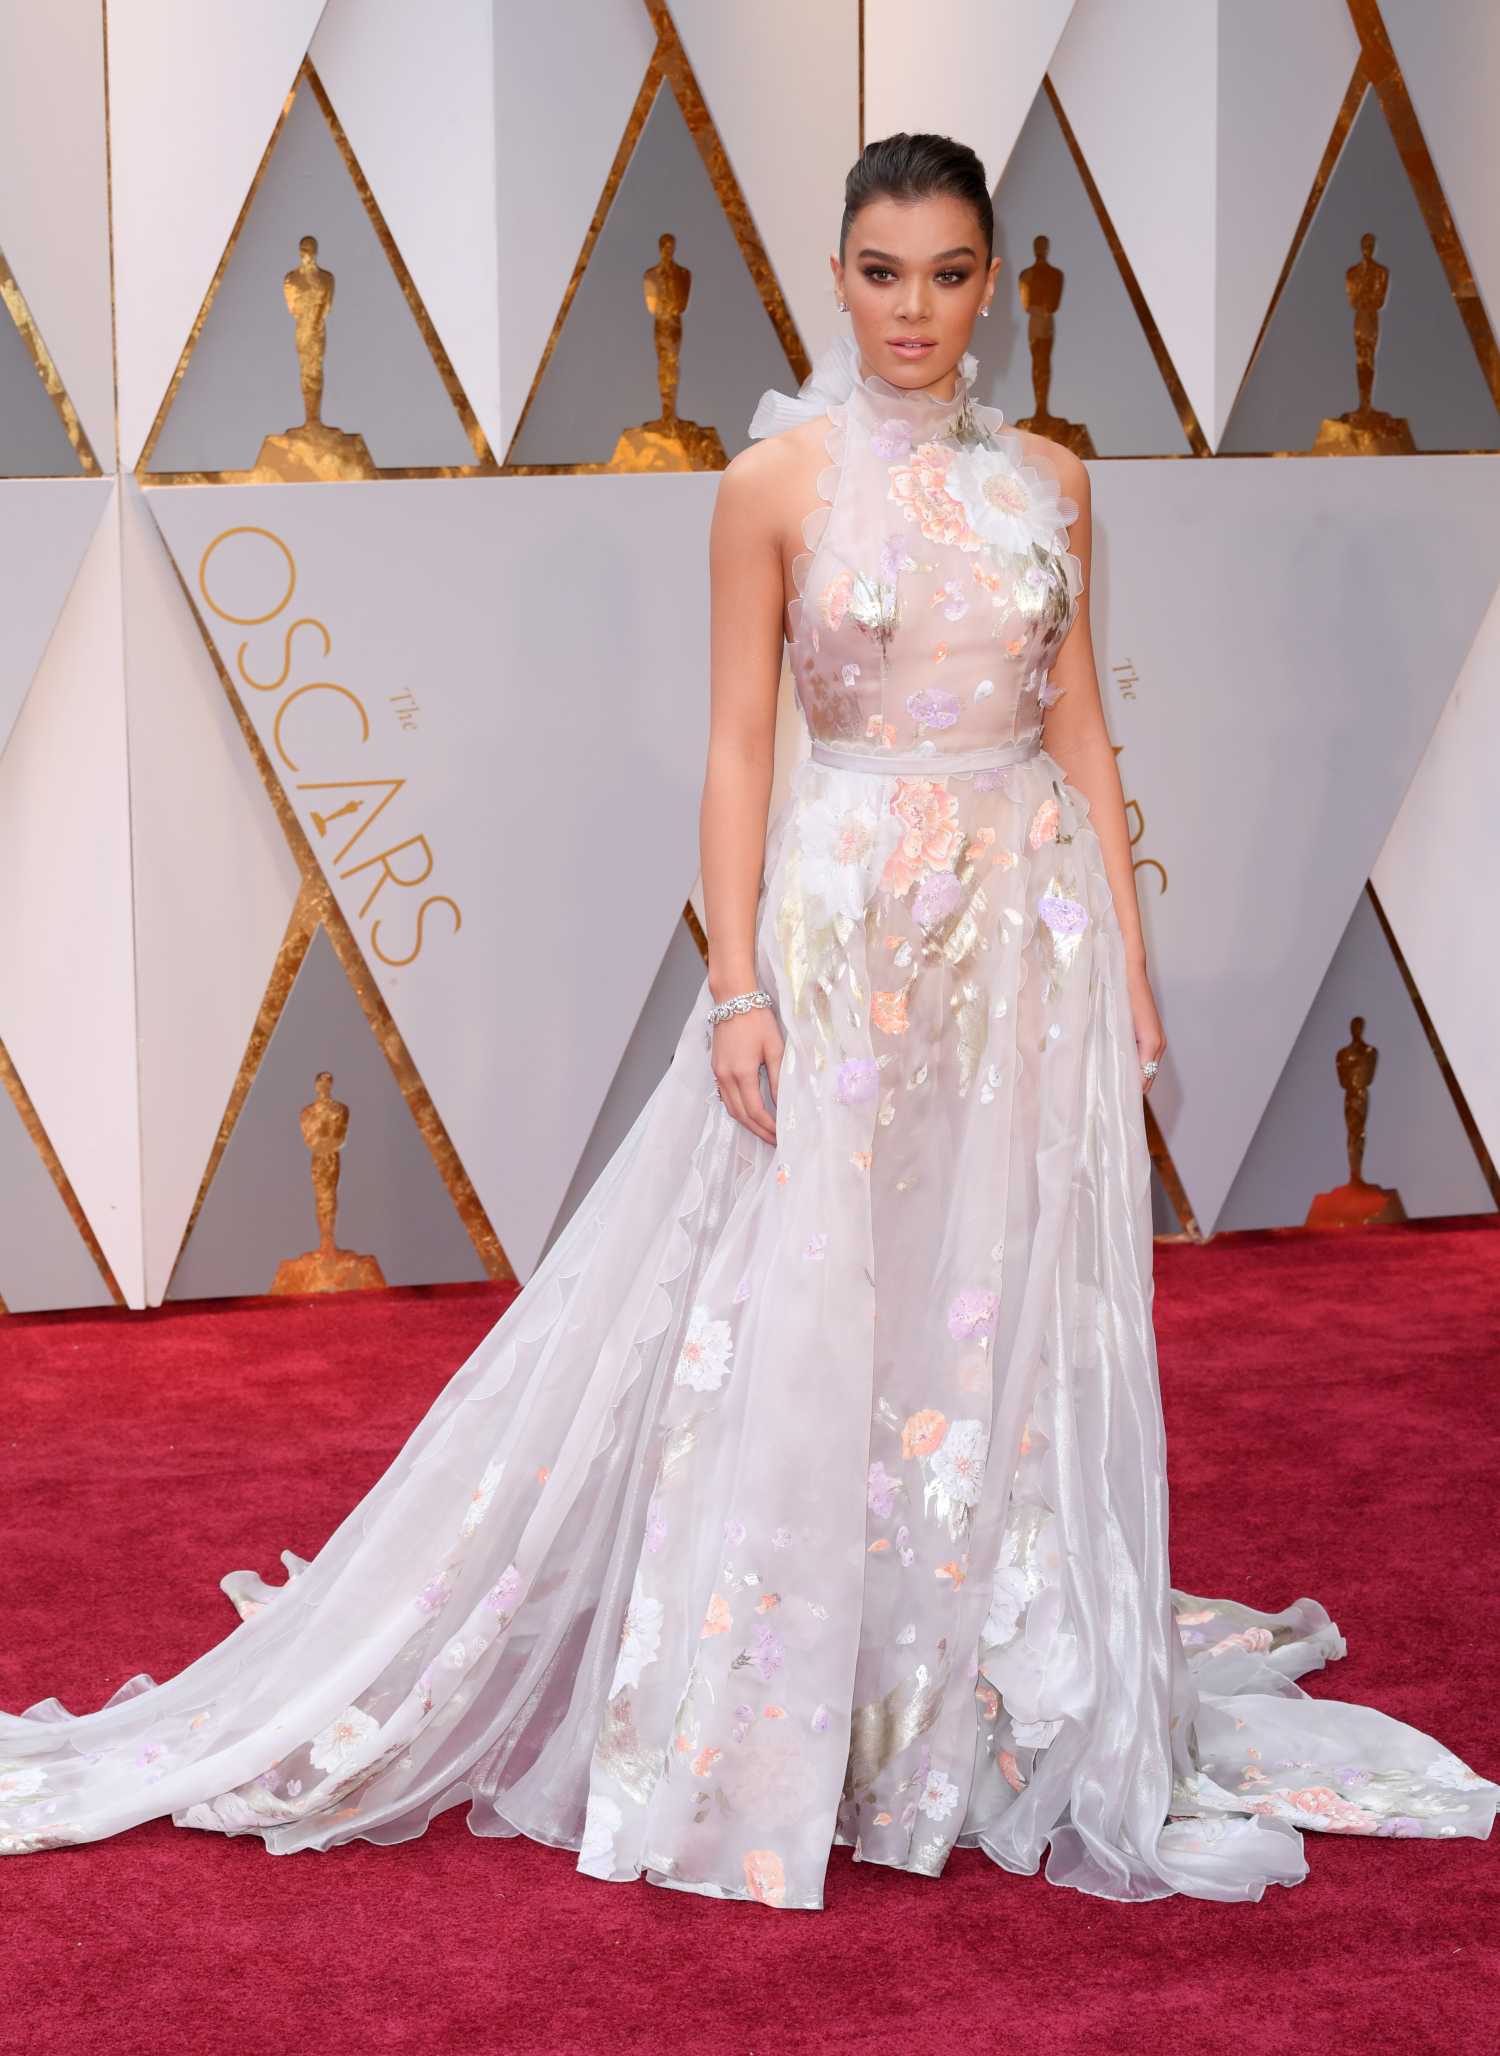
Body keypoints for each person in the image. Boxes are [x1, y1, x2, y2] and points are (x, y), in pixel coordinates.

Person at [2, 134, 1494, 1908]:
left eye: (949, 273)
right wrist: (735, 985)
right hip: (849, 922)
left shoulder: (1054, 479)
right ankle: (807, 1672)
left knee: (992, 1285)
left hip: (1028, 932)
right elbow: (736, 745)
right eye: (883, 271)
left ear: (989, 284)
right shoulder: (773, 486)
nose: (916, 309)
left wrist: (1131, 960)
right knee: (822, 1284)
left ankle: (959, 1665)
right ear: (837, 275)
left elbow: (1083, 728)